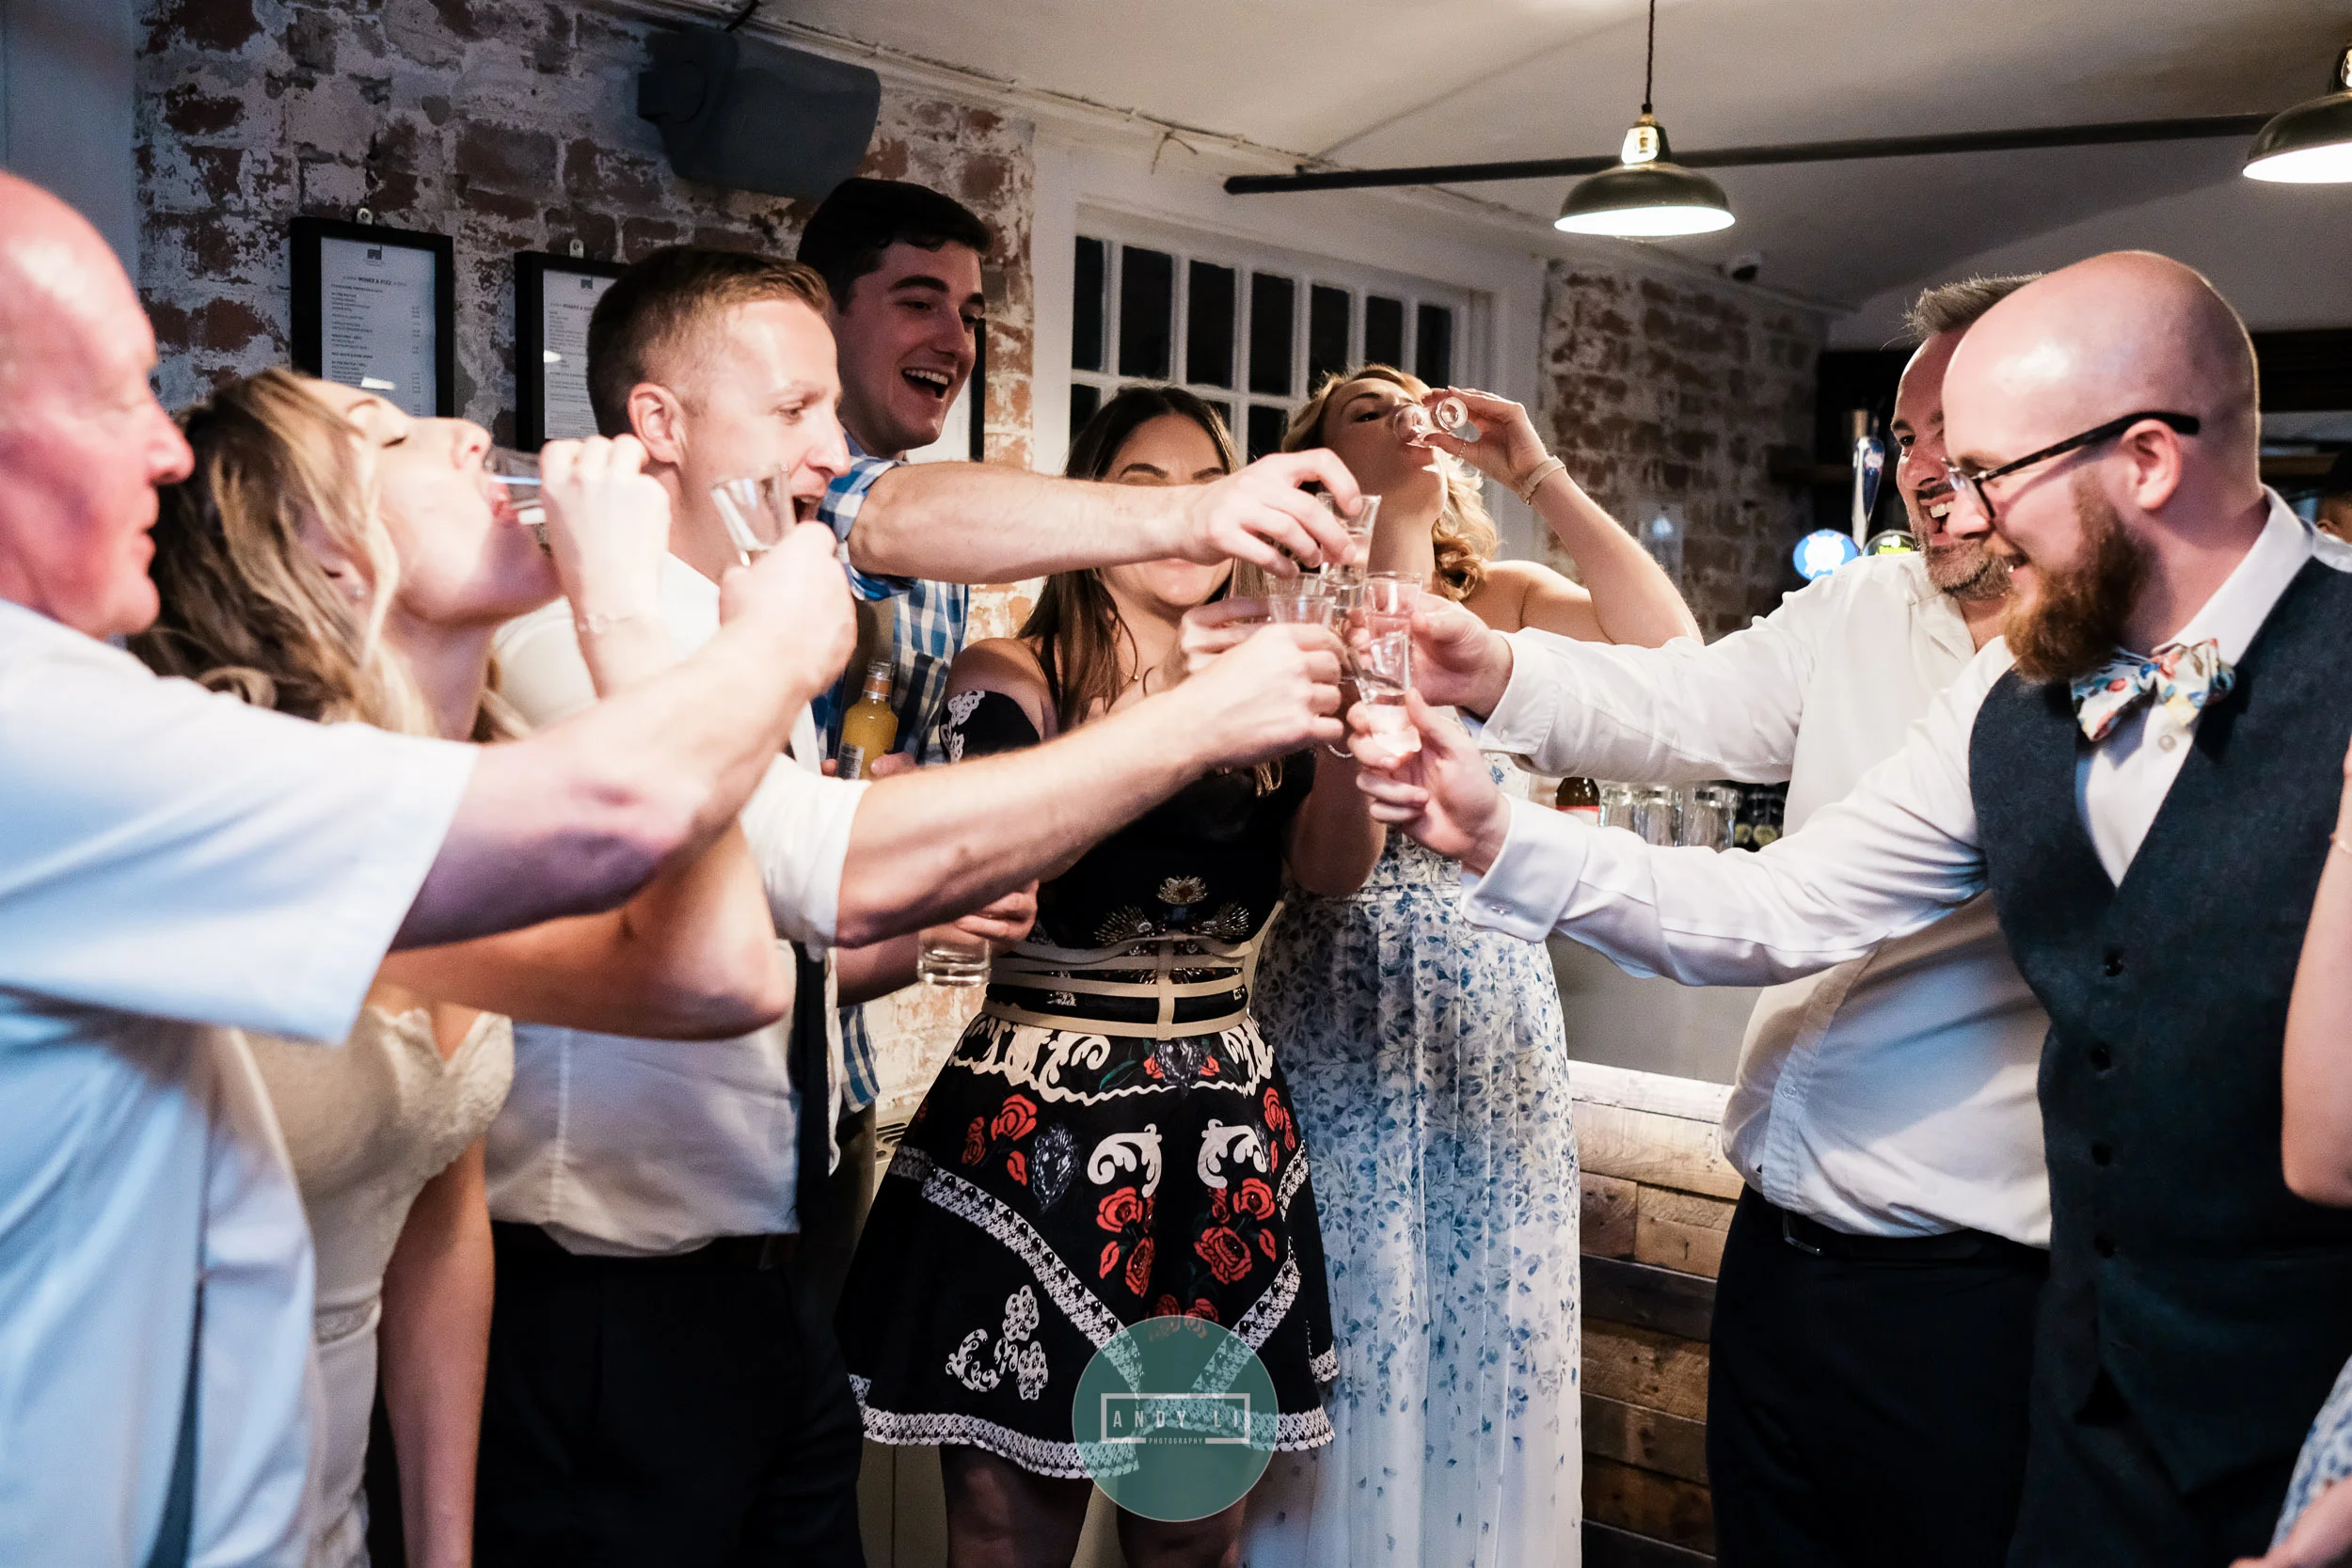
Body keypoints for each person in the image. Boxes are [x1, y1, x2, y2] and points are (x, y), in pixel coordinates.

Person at [1354, 250, 2352, 1567]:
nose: (1958, 510)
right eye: (1932, 458)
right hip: (2081, 1403)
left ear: (2148, 460)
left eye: (1989, 470)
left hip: (2284, 1413)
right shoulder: (2016, 686)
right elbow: (1789, 898)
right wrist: (1494, 828)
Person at [0, 169, 856, 1565]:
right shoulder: (72, 738)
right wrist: (738, 632)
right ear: (312, 552)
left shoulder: (282, 773)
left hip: (307, 1506)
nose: (161, 447)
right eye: (116, 397)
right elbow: (631, 815)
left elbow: (710, 977)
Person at [476, 252, 1359, 1565]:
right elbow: (796, 876)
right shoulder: (580, 631)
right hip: (611, 1294)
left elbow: (771, 950)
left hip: (760, 1261)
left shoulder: (732, 626)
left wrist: (918, 918)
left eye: (831, 410)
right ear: (658, 422)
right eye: (795, 410)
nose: (834, 452)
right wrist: (1190, 717)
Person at [1331, 280, 2047, 1567]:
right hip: (1780, 1248)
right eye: (1908, 435)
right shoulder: (1864, 604)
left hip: (1969, 1281)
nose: (1926, 467)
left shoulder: (2069, 673)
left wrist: (1498, 834)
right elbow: (1686, 701)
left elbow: (1789, 906)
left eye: (1961, 430)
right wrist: (1487, 665)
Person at [127, 367, 810, 1568]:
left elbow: (436, 1209)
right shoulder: (261, 814)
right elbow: (720, 975)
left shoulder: (468, 800)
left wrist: (443, 1551)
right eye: (383, 435)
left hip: (320, 1515)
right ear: (312, 555)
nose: (465, 433)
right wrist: (642, 616)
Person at [838, 386, 1381, 1568]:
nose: (1187, 513)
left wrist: (1348, 721)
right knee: (1010, 1529)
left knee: (1192, 1527)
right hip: (1038, 1128)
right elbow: (998, 873)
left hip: (1219, 1136)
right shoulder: (1010, 673)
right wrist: (1181, 697)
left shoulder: (1272, 687)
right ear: (1096, 514)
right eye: (1146, 488)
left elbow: (1332, 871)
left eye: (1208, 485)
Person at [1224, 364, 1694, 1566]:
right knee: (1354, 1306)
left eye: (1411, 402)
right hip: (1341, 992)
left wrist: (1538, 473)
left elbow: (1672, 651)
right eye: (1364, 411)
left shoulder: (1502, 601)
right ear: (1318, 462)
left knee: (1491, 1309)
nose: (1401, 419)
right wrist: (1386, 529)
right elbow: (1329, 859)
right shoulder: (1285, 610)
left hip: (1490, 1000)